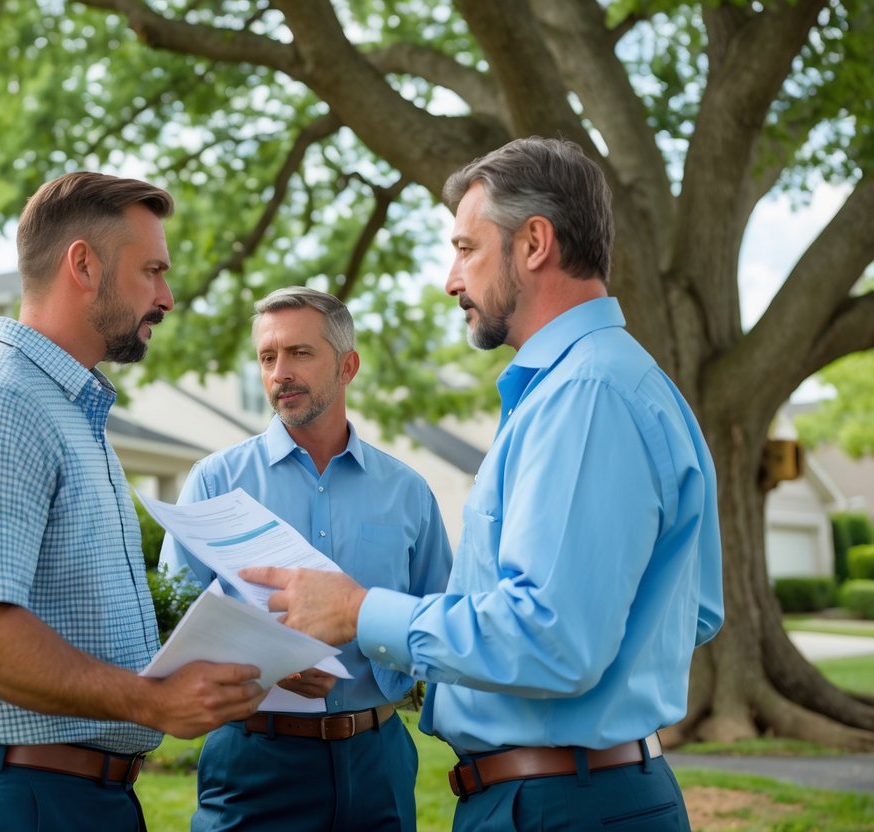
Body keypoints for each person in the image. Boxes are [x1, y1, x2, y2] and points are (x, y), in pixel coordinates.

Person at [243, 137, 725, 831]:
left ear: (533, 243)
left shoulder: (583, 398)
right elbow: (695, 610)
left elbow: (551, 639)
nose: (450, 277)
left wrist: (358, 612)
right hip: (580, 794)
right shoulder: (624, 384)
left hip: (556, 804)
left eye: (465, 248)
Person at [0, 171, 267, 831]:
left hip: (69, 798)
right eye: (151, 271)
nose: (167, 297)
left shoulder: (63, 410)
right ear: (84, 265)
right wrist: (148, 701)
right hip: (19, 802)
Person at [160, 286, 453, 832]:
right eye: (267, 358)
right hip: (253, 764)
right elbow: (178, 626)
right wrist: (269, 667)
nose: (279, 373)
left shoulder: (408, 493)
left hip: (378, 761)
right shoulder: (216, 482)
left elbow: (441, 620)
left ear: (348, 366)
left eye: (299, 353)